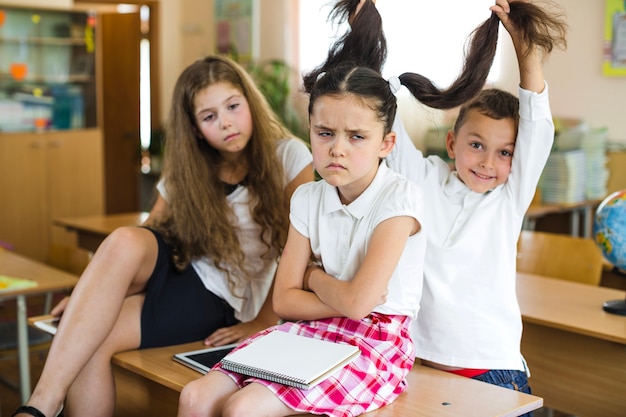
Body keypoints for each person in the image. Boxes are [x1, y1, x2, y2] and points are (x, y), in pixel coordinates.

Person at [12, 55, 313, 417]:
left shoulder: (289, 154)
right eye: (209, 116)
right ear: (195, 127)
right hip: (179, 266)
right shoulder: (192, 165)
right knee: (124, 240)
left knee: (93, 341)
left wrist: (264, 320)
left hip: (221, 296)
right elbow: (150, 233)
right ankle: (38, 407)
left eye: (233, 106)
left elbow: (296, 249)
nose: (227, 123)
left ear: (249, 101)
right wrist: (84, 295)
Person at [317, 0, 567, 405]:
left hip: (492, 369)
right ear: (452, 143)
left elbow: (537, 128)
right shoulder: (421, 180)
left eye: (505, 153)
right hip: (417, 364)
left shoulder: (508, 199)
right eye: (476, 145)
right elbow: (384, 117)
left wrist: (526, 51)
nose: (488, 161)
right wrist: (364, 31)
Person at [177, 62, 426, 416]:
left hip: (377, 341)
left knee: (243, 408)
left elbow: (358, 308)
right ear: (309, 130)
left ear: (386, 143)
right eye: (324, 133)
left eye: (356, 136)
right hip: (310, 328)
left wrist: (312, 278)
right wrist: (345, 296)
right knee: (194, 396)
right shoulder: (308, 197)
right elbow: (285, 302)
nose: (337, 149)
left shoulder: (400, 198)